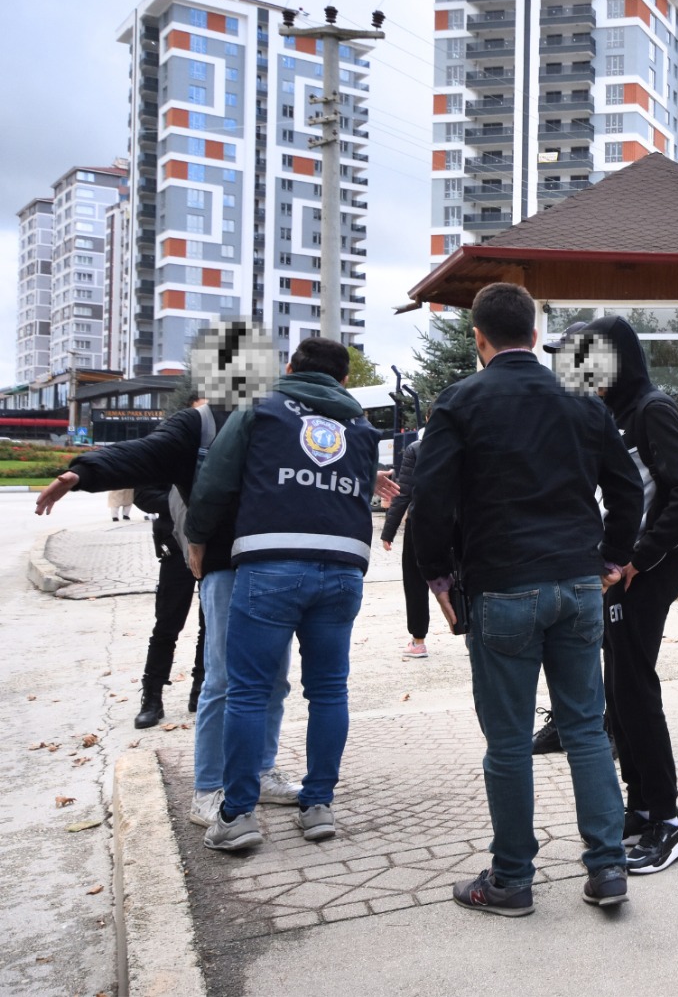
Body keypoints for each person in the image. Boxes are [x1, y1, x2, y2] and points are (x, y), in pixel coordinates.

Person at [410, 283, 644, 915]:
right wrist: (612, 559)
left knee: (509, 741)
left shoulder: (460, 401)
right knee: (587, 731)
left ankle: (512, 880)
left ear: (479, 339)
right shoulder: (583, 401)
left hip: (502, 586)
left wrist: (437, 579)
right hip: (577, 585)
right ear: (537, 336)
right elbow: (628, 491)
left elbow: (429, 501)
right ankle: (608, 869)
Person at [34, 390, 312, 823]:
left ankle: (260, 771)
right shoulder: (196, 424)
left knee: (274, 680)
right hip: (221, 563)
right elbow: (144, 454)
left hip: (274, 565)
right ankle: (210, 787)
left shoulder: (277, 418)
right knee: (221, 680)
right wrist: (81, 473)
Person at [184, 336, 382, 852]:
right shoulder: (360, 425)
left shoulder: (262, 409)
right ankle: (317, 805)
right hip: (343, 570)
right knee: (330, 690)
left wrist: (199, 539)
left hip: (270, 565)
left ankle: (238, 813)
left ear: (290, 368)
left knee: (248, 691)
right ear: (343, 381)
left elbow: (215, 481)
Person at [583, 314, 678, 875]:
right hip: (620, 574)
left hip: (644, 575)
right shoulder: (618, 413)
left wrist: (640, 556)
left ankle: (667, 820)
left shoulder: (652, 409)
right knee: (621, 692)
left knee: (636, 691)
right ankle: (640, 805)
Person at [131, 479, 206, 727]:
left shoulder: (220, 442)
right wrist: (189, 504)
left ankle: (201, 689)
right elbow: (143, 495)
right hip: (175, 546)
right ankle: (152, 696)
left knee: (212, 625)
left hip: (213, 544)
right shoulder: (168, 446)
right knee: (166, 625)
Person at [380, 434, 429, 658]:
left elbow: (404, 492)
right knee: (459, 578)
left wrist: (388, 531)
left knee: (415, 581)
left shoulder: (416, 448)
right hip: (457, 521)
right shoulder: (465, 441)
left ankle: (418, 642)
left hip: (421, 523)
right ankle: (471, 635)